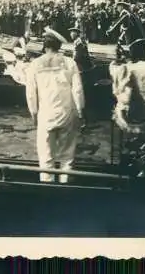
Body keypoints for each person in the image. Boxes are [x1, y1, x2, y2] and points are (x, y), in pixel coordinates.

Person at [25, 27, 85, 183]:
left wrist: (33, 113)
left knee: (46, 157)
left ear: (44, 47)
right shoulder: (69, 62)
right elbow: (77, 90)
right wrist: (80, 111)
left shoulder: (35, 64)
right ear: (59, 46)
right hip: (67, 112)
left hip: (45, 113)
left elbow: (31, 93)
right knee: (67, 157)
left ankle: (47, 186)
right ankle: (66, 186)